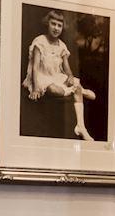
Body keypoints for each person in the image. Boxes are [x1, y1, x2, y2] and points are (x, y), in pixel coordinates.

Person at [24, 9, 96, 141]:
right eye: (53, 24)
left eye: (59, 25)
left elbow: (67, 69)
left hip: (56, 75)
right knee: (53, 89)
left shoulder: (62, 45)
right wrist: (35, 88)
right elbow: (35, 67)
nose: (56, 28)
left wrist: (69, 76)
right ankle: (79, 90)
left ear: (62, 28)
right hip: (41, 76)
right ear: (48, 24)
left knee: (70, 82)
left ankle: (81, 126)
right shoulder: (40, 41)